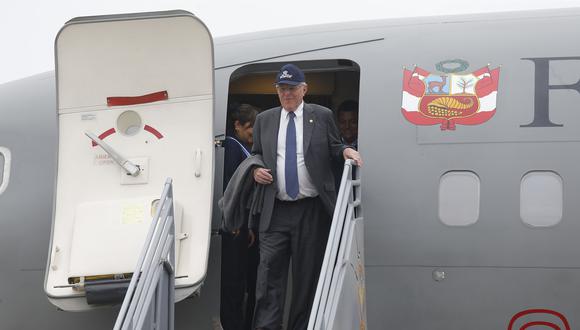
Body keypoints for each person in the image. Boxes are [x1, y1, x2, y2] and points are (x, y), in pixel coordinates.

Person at [251, 64, 362, 330]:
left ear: (304, 89)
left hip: (310, 210)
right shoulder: (264, 120)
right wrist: (255, 169)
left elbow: (335, 145)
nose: (286, 94)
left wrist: (346, 151)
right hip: (274, 210)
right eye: (281, 89)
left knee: (306, 278)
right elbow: (255, 153)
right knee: (268, 277)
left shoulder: (321, 116)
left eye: (291, 88)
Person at [221, 103, 261, 330]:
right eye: (250, 128)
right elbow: (231, 189)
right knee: (234, 283)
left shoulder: (243, 148)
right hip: (234, 227)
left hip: (243, 225)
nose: (252, 134)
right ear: (237, 125)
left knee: (242, 281)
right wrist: (237, 223)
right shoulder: (232, 147)